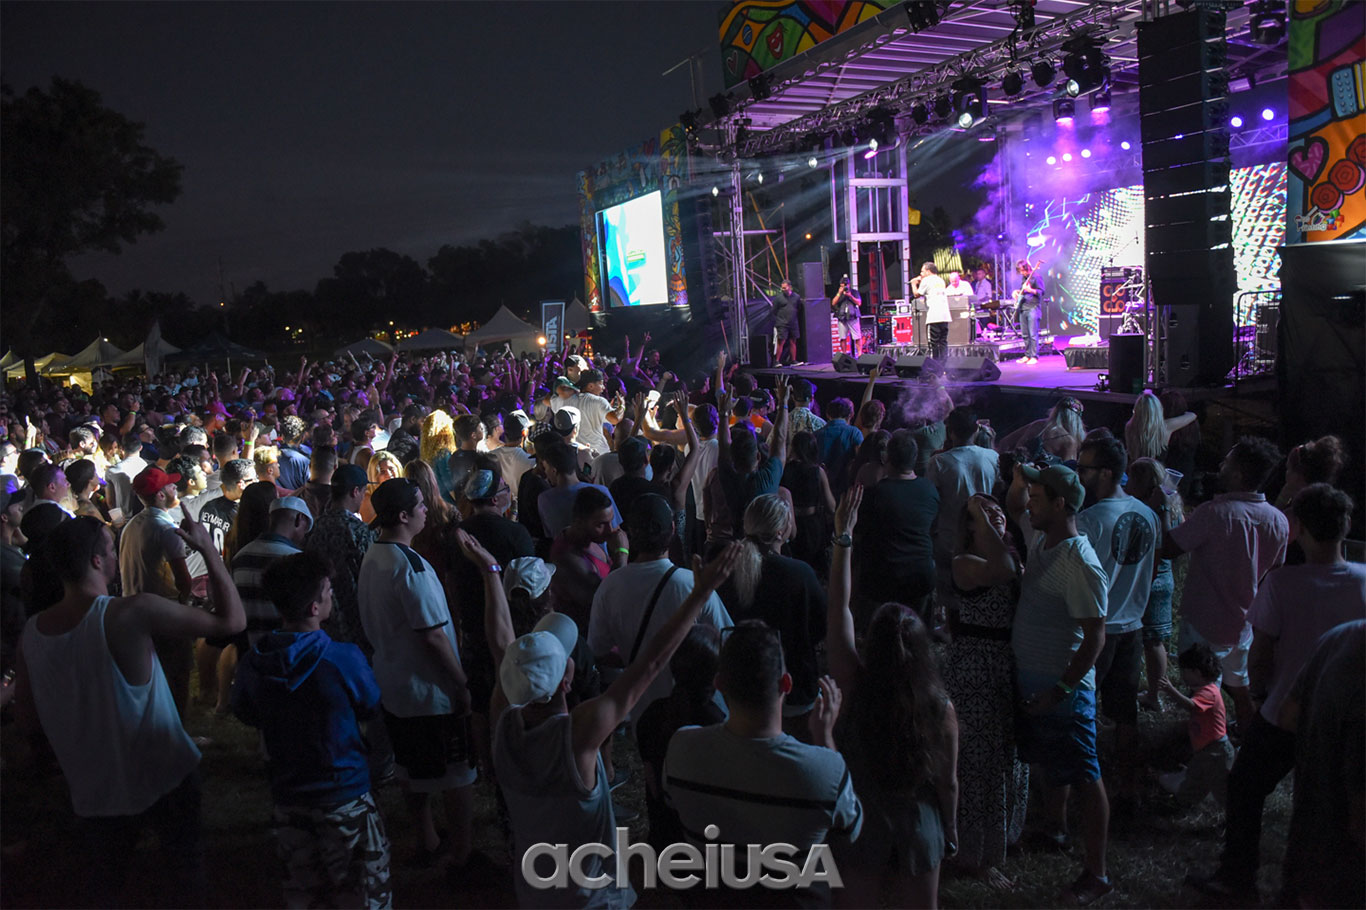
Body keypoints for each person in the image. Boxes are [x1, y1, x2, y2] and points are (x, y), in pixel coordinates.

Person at [459, 524, 740, 908]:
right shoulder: (578, 735)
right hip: (591, 900)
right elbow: (651, 663)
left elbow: (500, 645)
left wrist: (491, 571)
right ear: (566, 680)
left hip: (535, 894)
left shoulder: (503, 724)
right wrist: (700, 594)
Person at [13, 515, 245, 907]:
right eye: (111, 548)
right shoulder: (129, 613)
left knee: (107, 886)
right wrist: (207, 548)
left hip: (93, 787)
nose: (115, 555)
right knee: (185, 879)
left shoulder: (32, 635)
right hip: (164, 773)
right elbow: (232, 621)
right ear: (97, 561)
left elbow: (28, 721)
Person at [1189, 483, 1366, 901]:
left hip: (1286, 708)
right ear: (1346, 525)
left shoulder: (1283, 584)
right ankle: (1304, 887)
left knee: (1246, 787)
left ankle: (1237, 877)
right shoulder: (1363, 580)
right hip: (1344, 714)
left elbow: (1261, 654)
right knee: (1322, 805)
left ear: (1297, 527)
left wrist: (1257, 696)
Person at [231, 552, 392, 909]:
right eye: (328, 591)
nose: (332, 596)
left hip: (288, 797)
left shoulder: (255, 662)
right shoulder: (342, 659)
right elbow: (369, 704)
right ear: (314, 607)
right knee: (363, 892)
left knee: (304, 893)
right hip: (345, 795)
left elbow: (244, 710)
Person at [664, 621, 861, 907]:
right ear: (786, 684)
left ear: (719, 683)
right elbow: (851, 830)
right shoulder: (826, 770)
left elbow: (671, 803)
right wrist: (825, 738)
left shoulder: (681, 748)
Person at [357, 478, 490, 881]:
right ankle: (462, 854)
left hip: (394, 682)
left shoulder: (374, 556)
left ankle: (427, 838)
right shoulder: (409, 567)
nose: (426, 510)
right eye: (419, 505)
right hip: (429, 689)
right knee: (456, 773)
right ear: (403, 516)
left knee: (411, 768)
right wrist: (460, 684)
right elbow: (432, 633)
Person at [1005, 463, 1111, 906]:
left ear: (1060, 504)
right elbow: (1014, 506)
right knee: (1054, 763)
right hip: (1039, 681)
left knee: (1085, 774)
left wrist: (1062, 690)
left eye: (1036, 498)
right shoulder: (1042, 538)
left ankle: (1097, 874)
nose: (1029, 504)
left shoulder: (1079, 562)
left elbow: (1095, 636)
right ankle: (1056, 829)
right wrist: (1020, 480)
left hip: (1065, 690)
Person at [1160, 436, 1288, 733]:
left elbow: (1169, 547)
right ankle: (1248, 737)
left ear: (1239, 474)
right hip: (1243, 621)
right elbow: (1275, 570)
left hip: (1205, 620)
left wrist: (1164, 506)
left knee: (1204, 692)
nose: (1221, 465)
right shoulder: (1278, 521)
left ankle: (1206, 750)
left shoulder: (1215, 513)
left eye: (1227, 462)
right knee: (1238, 684)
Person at [943, 494, 1027, 887]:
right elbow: (1003, 569)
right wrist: (980, 514)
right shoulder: (965, 563)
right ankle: (973, 853)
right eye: (982, 514)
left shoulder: (1009, 557)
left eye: (997, 511)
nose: (994, 516)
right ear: (970, 526)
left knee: (1004, 755)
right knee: (978, 762)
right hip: (976, 669)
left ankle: (1001, 839)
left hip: (1004, 666)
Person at [1073, 436, 1157, 808]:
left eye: (1084, 468)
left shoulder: (1090, 521)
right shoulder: (1147, 514)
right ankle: (1127, 785)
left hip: (1097, 628)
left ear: (1106, 473)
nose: (1079, 474)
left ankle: (1084, 782)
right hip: (1132, 625)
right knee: (1125, 713)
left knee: (1082, 707)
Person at [716, 494, 826, 731]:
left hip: (739, 691)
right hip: (794, 691)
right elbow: (821, 627)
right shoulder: (800, 574)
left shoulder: (724, 571)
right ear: (780, 532)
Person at [1278, 619, 1365, 909]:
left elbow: (1288, 716)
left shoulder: (1338, 637)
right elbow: (1361, 819)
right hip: (1344, 869)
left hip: (1307, 840)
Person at [634, 626, 724, 850]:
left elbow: (654, 787)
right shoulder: (719, 725)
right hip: (702, 845)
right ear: (717, 676)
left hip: (662, 839)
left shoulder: (651, 714)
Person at [119, 465, 196, 718]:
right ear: (161, 495)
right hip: (165, 614)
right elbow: (183, 580)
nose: (176, 487)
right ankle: (177, 731)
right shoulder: (166, 529)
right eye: (171, 485)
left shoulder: (131, 525)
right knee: (177, 675)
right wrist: (186, 603)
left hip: (134, 612)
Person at [855, 429, 938, 627]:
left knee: (881, 633)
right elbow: (933, 529)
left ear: (887, 458)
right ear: (915, 458)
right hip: (920, 575)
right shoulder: (929, 489)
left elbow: (858, 534)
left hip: (883, 577)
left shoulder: (874, 494)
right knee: (916, 634)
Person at [1124, 458, 1182, 710]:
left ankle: (1154, 695)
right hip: (1162, 578)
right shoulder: (1172, 506)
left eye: (1131, 479)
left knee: (1150, 641)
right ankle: (1153, 693)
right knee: (1153, 640)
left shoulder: (1155, 510)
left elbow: (1159, 541)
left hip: (1151, 579)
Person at [1155, 643, 1233, 809]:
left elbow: (1192, 706)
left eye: (1185, 671)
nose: (1183, 675)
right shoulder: (1204, 689)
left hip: (1216, 752)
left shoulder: (1209, 692)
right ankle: (1182, 802)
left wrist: (1170, 690)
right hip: (1204, 751)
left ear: (1196, 673)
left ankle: (1234, 814)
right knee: (1195, 779)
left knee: (1223, 789)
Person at [231, 496, 314, 646]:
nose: (303, 536)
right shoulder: (297, 560)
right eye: (305, 529)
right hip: (286, 649)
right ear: (299, 519)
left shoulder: (240, 557)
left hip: (249, 649)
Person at [550, 486, 627, 631]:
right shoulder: (567, 558)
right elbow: (606, 599)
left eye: (611, 522)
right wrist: (622, 553)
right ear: (579, 522)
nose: (610, 530)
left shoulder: (589, 538)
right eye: (601, 524)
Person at [1123, 390, 1197, 465]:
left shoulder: (1129, 426)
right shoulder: (1165, 426)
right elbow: (1192, 415)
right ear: (1158, 409)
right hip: (1156, 471)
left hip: (1134, 469)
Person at [913, 262, 950, 361]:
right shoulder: (941, 280)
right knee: (943, 342)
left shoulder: (927, 280)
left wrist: (913, 283)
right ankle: (943, 365)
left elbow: (916, 294)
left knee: (933, 343)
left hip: (934, 316)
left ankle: (934, 365)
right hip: (945, 316)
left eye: (922, 271)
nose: (921, 274)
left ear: (928, 272)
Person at [1014, 259, 1045, 364]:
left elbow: (1041, 292)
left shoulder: (1036, 277)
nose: (1022, 273)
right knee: (1025, 334)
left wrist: (1030, 290)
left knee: (1033, 334)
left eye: (1023, 271)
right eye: (1020, 271)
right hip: (1023, 308)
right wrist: (1017, 292)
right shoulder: (1024, 278)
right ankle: (1027, 355)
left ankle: (1034, 356)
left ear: (1027, 268)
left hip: (1033, 307)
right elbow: (1023, 292)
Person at [772, 277, 802, 365]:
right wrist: (781, 318)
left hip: (793, 323)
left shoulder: (796, 297)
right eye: (782, 288)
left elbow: (799, 308)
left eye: (785, 288)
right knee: (781, 341)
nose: (783, 289)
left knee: (793, 341)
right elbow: (774, 310)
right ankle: (777, 361)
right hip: (782, 323)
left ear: (790, 287)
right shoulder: (778, 298)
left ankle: (793, 360)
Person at [831, 274, 863, 357]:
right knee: (842, 337)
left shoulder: (854, 292)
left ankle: (860, 354)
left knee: (857, 336)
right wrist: (839, 293)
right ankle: (844, 354)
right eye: (842, 286)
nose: (844, 287)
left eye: (845, 285)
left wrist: (850, 296)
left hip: (853, 316)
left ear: (849, 284)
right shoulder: (839, 293)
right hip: (842, 317)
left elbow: (859, 303)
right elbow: (833, 303)